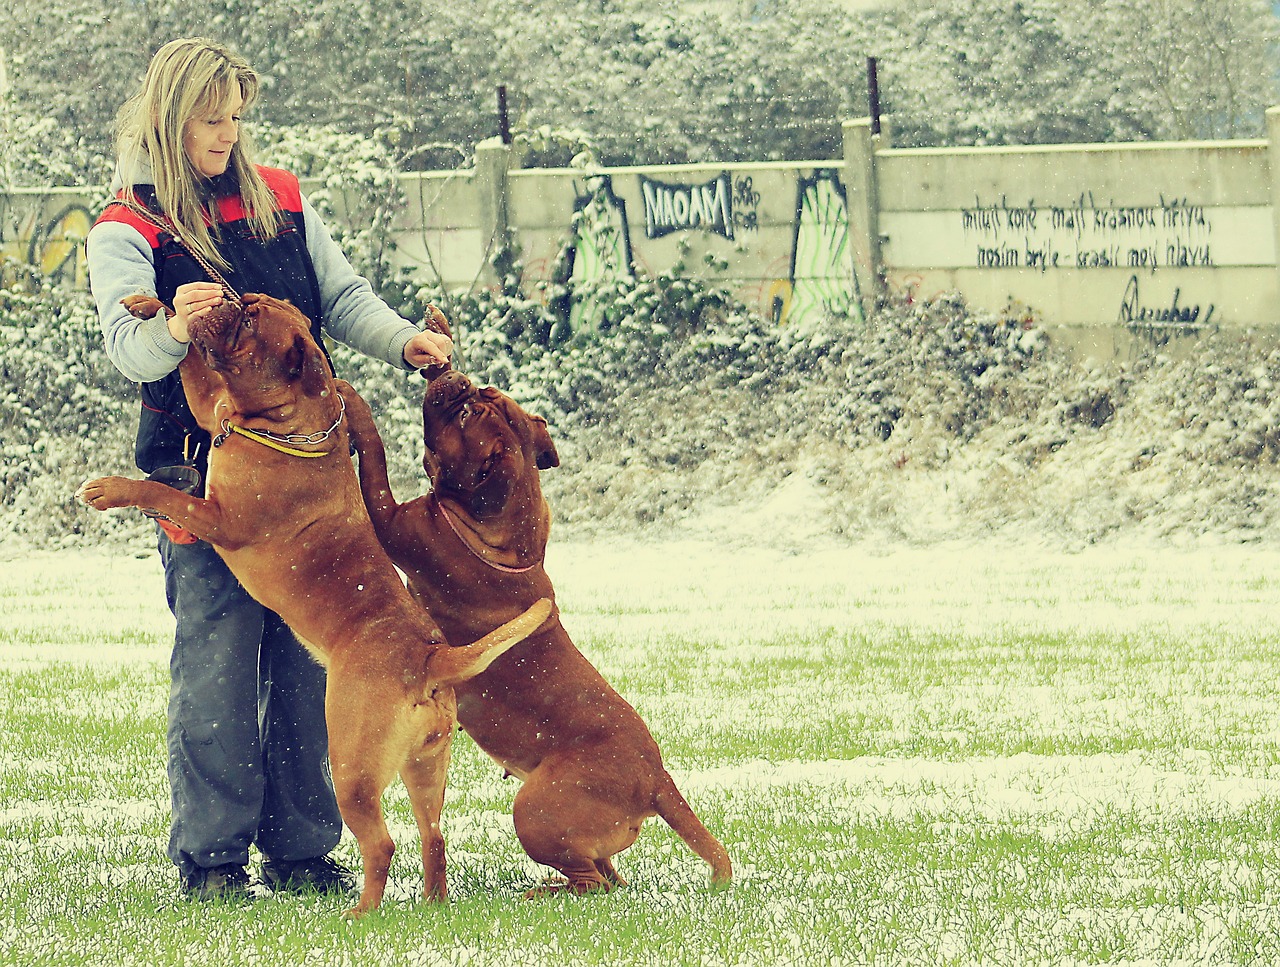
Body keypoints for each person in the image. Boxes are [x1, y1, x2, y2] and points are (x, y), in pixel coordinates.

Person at [85, 38, 452, 902]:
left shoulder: (277, 196)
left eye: (237, 118)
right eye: (213, 121)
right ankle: (211, 863)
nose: (229, 135)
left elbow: (343, 297)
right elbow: (125, 349)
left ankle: (303, 851)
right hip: (200, 472)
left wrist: (405, 339)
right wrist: (174, 329)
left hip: (315, 480)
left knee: (306, 669)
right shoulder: (126, 224)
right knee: (215, 664)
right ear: (172, 118)